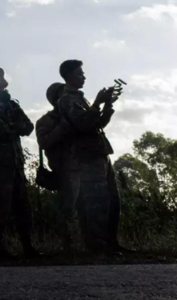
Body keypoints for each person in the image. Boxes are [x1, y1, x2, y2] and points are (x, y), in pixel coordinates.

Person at [56, 59, 133, 255]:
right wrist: (97, 103)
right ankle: (98, 246)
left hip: (99, 153)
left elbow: (97, 124)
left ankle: (110, 242)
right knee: (97, 201)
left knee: (112, 200)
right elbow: (82, 124)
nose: (84, 77)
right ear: (69, 76)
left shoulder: (80, 99)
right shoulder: (66, 100)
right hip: (87, 156)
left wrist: (107, 105)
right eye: (80, 73)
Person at [0, 68, 41, 261]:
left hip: (15, 161)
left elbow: (29, 126)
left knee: (23, 205)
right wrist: (14, 127)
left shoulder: (11, 104)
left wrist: (11, 126)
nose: (3, 79)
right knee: (0, 206)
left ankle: (27, 247)